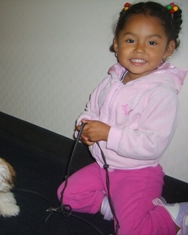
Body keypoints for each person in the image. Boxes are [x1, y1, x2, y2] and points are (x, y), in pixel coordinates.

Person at [57, 2, 187, 235]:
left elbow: (152, 145)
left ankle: (175, 216)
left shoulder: (161, 93)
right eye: (130, 40)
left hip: (138, 173)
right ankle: (112, 207)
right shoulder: (112, 81)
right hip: (104, 167)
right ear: (117, 44)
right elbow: (91, 109)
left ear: (168, 49)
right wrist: (84, 127)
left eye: (152, 42)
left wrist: (108, 134)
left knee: (131, 231)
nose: (139, 49)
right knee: (66, 195)